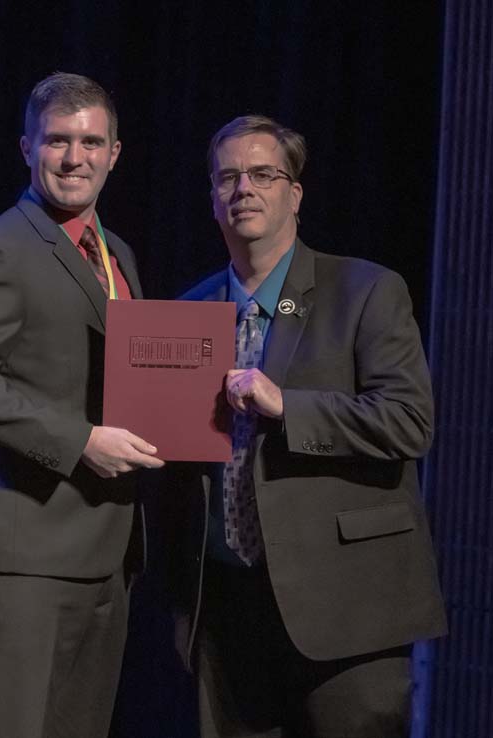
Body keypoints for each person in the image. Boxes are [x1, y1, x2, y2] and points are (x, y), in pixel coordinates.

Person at [171, 115, 446, 738]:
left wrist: (288, 405)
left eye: (263, 174)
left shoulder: (364, 289)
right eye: (228, 177)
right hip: (227, 609)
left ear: (294, 193)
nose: (244, 187)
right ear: (213, 198)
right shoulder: (188, 311)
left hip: (346, 608)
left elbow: (409, 422)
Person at [0, 72, 164, 738]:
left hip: (103, 560)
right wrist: (80, 439)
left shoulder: (117, 254)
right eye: (58, 140)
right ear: (27, 146)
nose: (73, 158)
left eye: (91, 141)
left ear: (115, 153)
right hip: (17, 564)